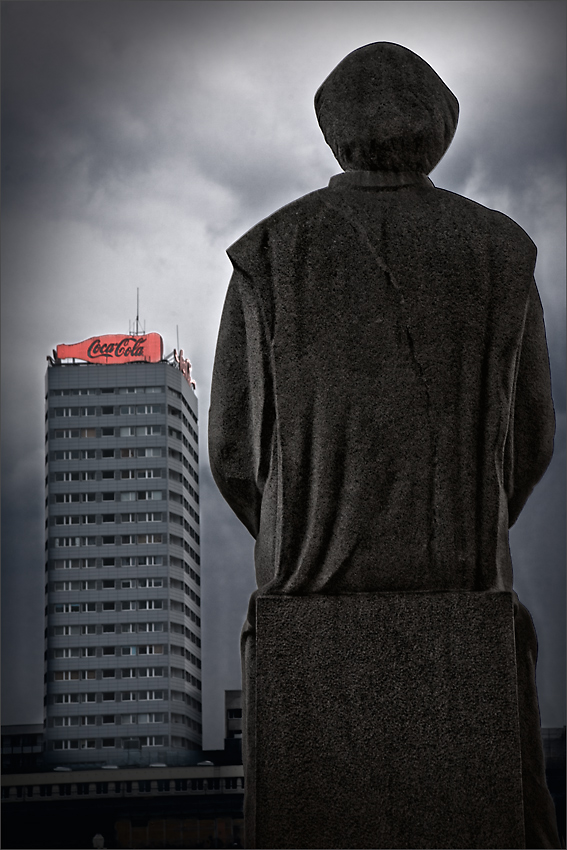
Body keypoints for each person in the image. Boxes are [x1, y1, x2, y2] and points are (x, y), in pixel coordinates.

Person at [209, 42, 560, 848]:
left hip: (307, 586)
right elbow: (531, 435)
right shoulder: (500, 250)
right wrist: (471, 521)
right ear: (441, 125)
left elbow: (232, 449)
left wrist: (295, 534)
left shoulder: (268, 252)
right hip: (463, 584)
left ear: (332, 127)